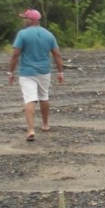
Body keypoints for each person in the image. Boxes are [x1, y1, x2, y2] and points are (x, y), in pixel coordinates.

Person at [8, 9, 64, 142]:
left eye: (25, 18)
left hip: (27, 73)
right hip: (44, 71)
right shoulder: (49, 34)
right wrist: (60, 72)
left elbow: (16, 54)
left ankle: (31, 130)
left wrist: (11, 72)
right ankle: (45, 124)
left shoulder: (22, 34)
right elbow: (57, 54)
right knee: (44, 96)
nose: (24, 20)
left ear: (32, 20)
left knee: (30, 99)